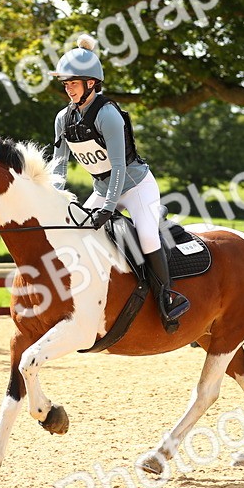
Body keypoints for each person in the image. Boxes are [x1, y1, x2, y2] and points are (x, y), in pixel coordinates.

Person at [47, 34, 190, 332]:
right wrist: (54, 195)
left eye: (73, 83)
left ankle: (168, 297)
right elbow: (59, 164)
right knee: (75, 236)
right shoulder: (63, 118)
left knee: (148, 237)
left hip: (136, 187)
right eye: (66, 84)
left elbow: (120, 168)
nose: (68, 89)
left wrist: (108, 208)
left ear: (91, 83)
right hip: (102, 188)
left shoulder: (108, 115)